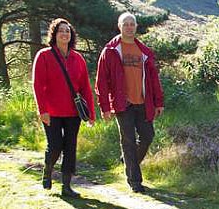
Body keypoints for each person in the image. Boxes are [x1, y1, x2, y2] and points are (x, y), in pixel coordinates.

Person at [95, 12, 164, 193]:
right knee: (128, 141)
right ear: (119, 26)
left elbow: (153, 79)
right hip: (122, 103)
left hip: (143, 102)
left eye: (132, 24)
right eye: (125, 24)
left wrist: (159, 102)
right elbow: (102, 81)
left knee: (148, 136)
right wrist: (105, 107)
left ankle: (129, 161)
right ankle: (135, 181)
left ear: (136, 26)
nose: (129, 27)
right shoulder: (110, 50)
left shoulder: (144, 51)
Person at [32, 18, 95, 198]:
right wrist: (42, 110)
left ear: (71, 35)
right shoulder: (44, 56)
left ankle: (66, 186)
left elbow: (85, 88)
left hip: (73, 113)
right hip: (51, 112)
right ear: (54, 34)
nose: (65, 34)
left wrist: (90, 112)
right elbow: (38, 85)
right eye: (61, 31)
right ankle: (48, 169)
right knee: (55, 146)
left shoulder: (78, 58)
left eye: (68, 31)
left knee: (70, 147)